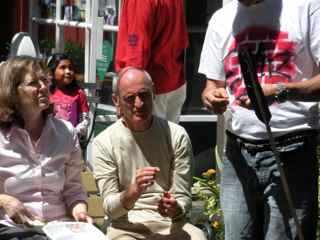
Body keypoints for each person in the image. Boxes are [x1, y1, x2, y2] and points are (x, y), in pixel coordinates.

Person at [198, 0, 320, 239]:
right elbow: (211, 85)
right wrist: (211, 97)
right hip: (237, 153)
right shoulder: (222, 19)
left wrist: (281, 91)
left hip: (291, 149)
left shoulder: (306, 7)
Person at [92, 67, 206, 240]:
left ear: (153, 92)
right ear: (116, 101)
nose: (139, 104)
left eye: (144, 95)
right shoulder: (104, 142)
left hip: (170, 224)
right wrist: (132, 192)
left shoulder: (176, 135)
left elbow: (183, 196)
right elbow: (110, 208)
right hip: (126, 226)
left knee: (198, 237)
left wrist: (176, 208)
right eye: (130, 98)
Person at [0, 56, 92, 240]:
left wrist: (80, 212)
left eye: (44, 80)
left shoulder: (66, 132)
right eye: (33, 83)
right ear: (13, 91)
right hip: (13, 229)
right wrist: (4, 200)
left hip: (60, 228)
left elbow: (73, 189)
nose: (43, 87)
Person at [115, 0, 189, 123]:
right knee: (168, 140)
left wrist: (127, 97)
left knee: (144, 141)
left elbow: (137, 53)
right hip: (173, 81)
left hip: (148, 88)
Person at [47, 53, 90, 140]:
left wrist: (75, 132)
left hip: (70, 141)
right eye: (63, 68)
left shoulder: (79, 93)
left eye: (70, 68)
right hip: (48, 142)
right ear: (52, 71)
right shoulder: (46, 92)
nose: (68, 71)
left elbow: (85, 121)